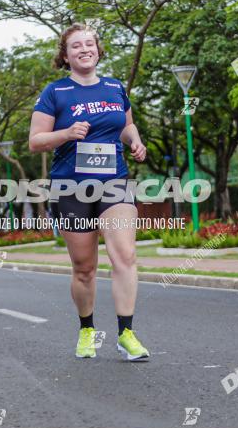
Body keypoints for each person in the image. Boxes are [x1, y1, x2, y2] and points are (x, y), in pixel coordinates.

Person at [28, 22, 149, 361]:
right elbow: (35, 141)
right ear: (65, 56)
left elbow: (126, 126)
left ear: (98, 50)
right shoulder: (56, 93)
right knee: (84, 268)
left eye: (89, 44)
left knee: (125, 254)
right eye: (76, 46)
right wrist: (65, 133)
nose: (84, 49)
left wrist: (135, 141)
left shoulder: (114, 87)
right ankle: (87, 329)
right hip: (71, 187)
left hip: (115, 182)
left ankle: (126, 333)